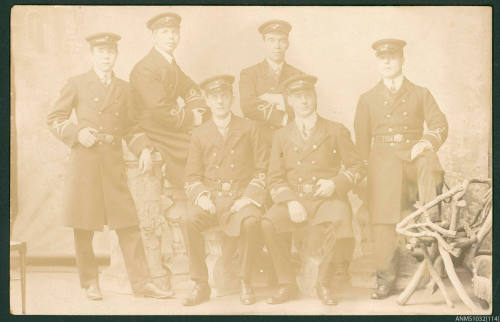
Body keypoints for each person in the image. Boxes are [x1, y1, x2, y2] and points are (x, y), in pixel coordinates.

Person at [47, 32, 174, 300]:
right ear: (91, 55)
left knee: (128, 225)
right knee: (84, 227)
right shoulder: (77, 84)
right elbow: (55, 117)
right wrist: (75, 134)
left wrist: (144, 148)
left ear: (116, 55)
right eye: (100, 52)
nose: (106, 57)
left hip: (112, 164)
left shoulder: (125, 89)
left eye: (110, 52)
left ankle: (142, 284)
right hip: (85, 164)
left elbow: (132, 126)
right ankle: (90, 283)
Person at [353, 39, 448, 299]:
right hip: (381, 165)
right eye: (382, 58)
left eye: (392, 57)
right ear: (377, 62)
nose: (386, 62)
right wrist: (363, 180)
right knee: (382, 221)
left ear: (402, 60)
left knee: (430, 162)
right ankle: (385, 278)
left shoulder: (420, 93)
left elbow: (439, 124)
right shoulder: (368, 99)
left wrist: (425, 143)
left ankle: (429, 226)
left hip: (412, 164)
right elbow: (361, 146)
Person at [261, 74, 365, 305]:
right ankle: (286, 283)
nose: (304, 101)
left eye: (307, 95)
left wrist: (334, 184)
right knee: (268, 223)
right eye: (298, 97)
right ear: (290, 101)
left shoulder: (335, 130)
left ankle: (323, 282)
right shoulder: (281, 135)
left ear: (315, 98)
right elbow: (274, 177)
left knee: (341, 218)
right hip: (295, 198)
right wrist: (289, 201)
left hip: (326, 198)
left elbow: (357, 166)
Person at [182, 75, 268, 306]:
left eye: (224, 95)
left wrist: (248, 198)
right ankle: (200, 283)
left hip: (241, 197)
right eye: (214, 97)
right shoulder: (199, 133)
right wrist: (202, 197)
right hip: (213, 199)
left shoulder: (249, 127)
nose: (219, 101)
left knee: (251, 222)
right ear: (207, 101)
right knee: (188, 220)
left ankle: (244, 280)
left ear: (232, 98)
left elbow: (263, 170)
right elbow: (191, 176)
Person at [128, 12, 209, 187]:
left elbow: (190, 87)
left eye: (174, 32)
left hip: (168, 123)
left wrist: (199, 110)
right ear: (154, 36)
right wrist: (192, 117)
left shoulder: (169, 63)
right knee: (198, 147)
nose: (171, 37)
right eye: (164, 32)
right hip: (153, 127)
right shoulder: (145, 68)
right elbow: (160, 110)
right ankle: (192, 191)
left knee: (211, 132)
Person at [239, 19, 304, 149]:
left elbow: (305, 106)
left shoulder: (298, 76)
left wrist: (278, 99)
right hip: (258, 142)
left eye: (281, 40)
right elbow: (247, 107)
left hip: (290, 142)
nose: (277, 46)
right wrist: (283, 116)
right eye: (271, 40)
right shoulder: (249, 74)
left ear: (287, 44)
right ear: (264, 43)